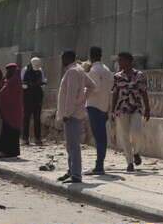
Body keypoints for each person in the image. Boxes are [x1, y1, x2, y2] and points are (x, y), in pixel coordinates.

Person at [56, 50, 96, 184]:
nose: (61, 62)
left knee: (73, 146)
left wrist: (67, 113)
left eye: (63, 59)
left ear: (67, 58)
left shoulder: (73, 72)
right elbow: (91, 86)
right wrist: (81, 99)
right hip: (75, 112)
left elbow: (71, 95)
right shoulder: (78, 70)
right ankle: (71, 171)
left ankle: (76, 175)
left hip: (72, 114)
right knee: (70, 145)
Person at [112, 52, 151, 173]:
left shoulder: (139, 75)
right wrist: (112, 110)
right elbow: (115, 93)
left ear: (129, 61)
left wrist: (147, 108)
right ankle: (129, 162)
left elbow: (144, 92)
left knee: (136, 132)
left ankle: (136, 152)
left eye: (121, 60)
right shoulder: (117, 76)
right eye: (119, 61)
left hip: (136, 108)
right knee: (124, 136)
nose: (119, 63)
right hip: (122, 108)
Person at [86, 46, 115, 175]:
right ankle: (100, 164)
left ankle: (99, 166)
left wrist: (82, 92)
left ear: (91, 56)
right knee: (101, 137)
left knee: (99, 137)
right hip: (104, 105)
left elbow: (95, 88)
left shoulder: (94, 70)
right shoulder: (107, 70)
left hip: (94, 106)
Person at [0, 63, 23, 158]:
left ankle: (10, 152)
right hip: (8, 111)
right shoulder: (8, 80)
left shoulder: (15, 81)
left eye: (9, 70)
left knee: (11, 131)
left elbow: (6, 93)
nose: (7, 72)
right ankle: (7, 151)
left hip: (13, 111)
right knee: (7, 130)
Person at [22, 57, 46, 145]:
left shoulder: (40, 70)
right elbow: (22, 82)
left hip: (37, 96)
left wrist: (40, 83)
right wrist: (29, 85)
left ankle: (37, 138)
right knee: (26, 117)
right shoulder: (25, 70)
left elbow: (43, 81)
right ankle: (25, 138)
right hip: (28, 96)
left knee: (37, 118)